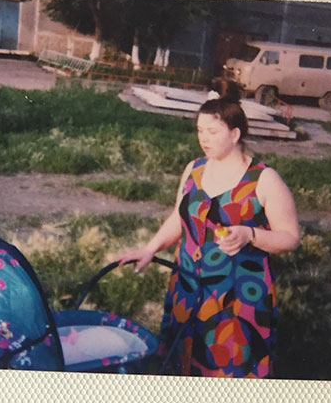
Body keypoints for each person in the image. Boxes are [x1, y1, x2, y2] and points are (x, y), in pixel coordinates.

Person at [119, 78, 300, 377]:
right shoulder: (195, 169)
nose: (204, 138)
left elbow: (290, 237)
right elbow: (179, 217)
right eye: (200, 131)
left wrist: (250, 234)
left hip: (237, 299)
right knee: (181, 366)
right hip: (187, 288)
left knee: (228, 372)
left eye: (212, 131)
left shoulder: (264, 180)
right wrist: (150, 249)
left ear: (235, 133)